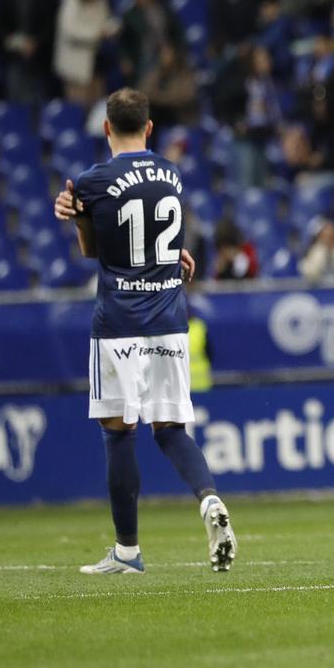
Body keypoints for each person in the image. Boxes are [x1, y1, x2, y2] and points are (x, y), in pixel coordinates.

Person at [50, 89, 234, 575]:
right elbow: (159, 237)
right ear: (149, 128)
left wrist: (76, 214)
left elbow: (94, 251)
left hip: (119, 324)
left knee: (119, 434)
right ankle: (209, 498)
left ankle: (127, 551)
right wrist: (173, 257)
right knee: (172, 430)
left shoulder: (92, 181)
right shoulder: (170, 174)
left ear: (106, 128)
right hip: (170, 318)